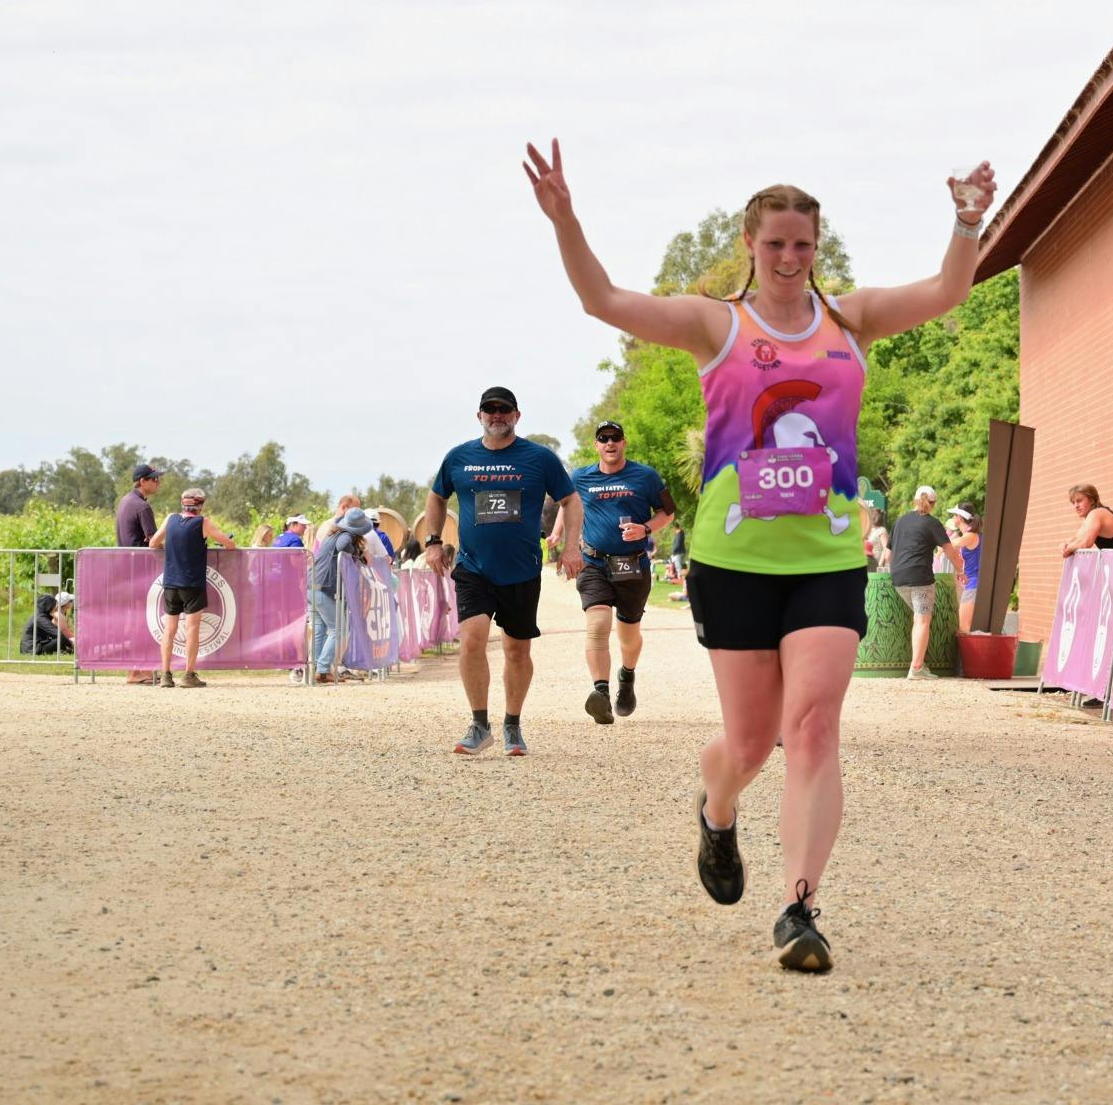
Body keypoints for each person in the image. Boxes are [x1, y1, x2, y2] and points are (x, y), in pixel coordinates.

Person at [526, 136, 996, 972]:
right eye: (775, 243)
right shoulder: (719, 325)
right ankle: (716, 809)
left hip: (826, 558)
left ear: (818, 249)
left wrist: (967, 223)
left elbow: (948, 288)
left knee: (811, 728)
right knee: (748, 746)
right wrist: (566, 218)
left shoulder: (852, 320)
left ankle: (800, 907)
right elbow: (602, 299)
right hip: (734, 562)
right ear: (751, 244)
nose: (789, 257)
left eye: (803, 244)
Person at [421, 386, 583, 757]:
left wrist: (571, 546)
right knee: (472, 638)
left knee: (516, 650)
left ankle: (512, 724)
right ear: (479, 415)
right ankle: (479, 724)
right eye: (489, 410)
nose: (497, 415)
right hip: (473, 567)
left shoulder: (539, 458)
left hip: (521, 570)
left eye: (504, 410)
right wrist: (432, 540)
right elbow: (437, 495)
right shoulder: (459, 457)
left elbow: (570, 500)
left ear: (516, 416)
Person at [550, 419, 676, 724]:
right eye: (603, 438)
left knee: (628, 635)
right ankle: (601, 693)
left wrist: (645, 528)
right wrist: (558, 536)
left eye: (615, 438)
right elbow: (568, 506)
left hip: (633, 564)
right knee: (598, 624)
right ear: (596, 445)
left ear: (624, 443)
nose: (610, 443)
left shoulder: (645, 476)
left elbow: (668, 512)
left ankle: (627, 676)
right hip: (593, 562)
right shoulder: (580, 477)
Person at [148, 488, 237, 687]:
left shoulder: (170, 519)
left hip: (170, 581)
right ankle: (188, 675)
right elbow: (229, 544)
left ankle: (165, 675)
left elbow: (153, 543)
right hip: (192, 583)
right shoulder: (202, 522)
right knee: (192, 629)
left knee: (169, 629)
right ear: (200, 505)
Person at [886, 487, 962, 678]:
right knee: (922, 620)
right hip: (919, 577)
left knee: (918, 619)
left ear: (914, 500)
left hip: (898, 579)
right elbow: (950, 551)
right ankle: (917, 668)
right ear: (933, 504)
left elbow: (888, 555)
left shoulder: (900, 521)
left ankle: (918, 664)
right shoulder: (932, 523)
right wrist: (961, 570)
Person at [310, 508, 373, 684]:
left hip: (311, 584)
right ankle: (323, 670)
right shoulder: (345, 535)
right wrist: (358, 553)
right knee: (338, 628)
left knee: (319, 629)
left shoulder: (332, 534)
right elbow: (343, 546)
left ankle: (315, 668)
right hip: (323, 585)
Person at [115, 462, 163, 683]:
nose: (158, 482)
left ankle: (136, 668)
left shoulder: (126, 501)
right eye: (154, 479)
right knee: (141, 621)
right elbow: (153, 540)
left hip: (126, 569)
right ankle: (136, 671)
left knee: (133, 619)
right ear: (142, 481)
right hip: (140, 571)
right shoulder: (142, 507)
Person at [1061, 484, 1113, 554]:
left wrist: (1067, 549)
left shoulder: (1097, 513)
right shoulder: (1089, 519)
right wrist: (1065, 545)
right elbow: (1077, 539)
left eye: (1079, 501)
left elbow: (1085, 543)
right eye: (1073, 502)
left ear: (1092, 500)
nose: (1076, 506)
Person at [948, 503, 983, 632]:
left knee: (964, 627)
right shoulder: (972, 535)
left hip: (973, 585)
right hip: (973, 585)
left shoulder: (970, 536)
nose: (952, 517)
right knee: (968, 627)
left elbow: (950, 544)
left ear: (960, 518)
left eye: (954, 515)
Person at [865, 507, 889, 572]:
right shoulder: (871, 531)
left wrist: (880, 564)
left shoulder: (882, 530)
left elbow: (886, 548)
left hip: (878, 565)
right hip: (870, 564)